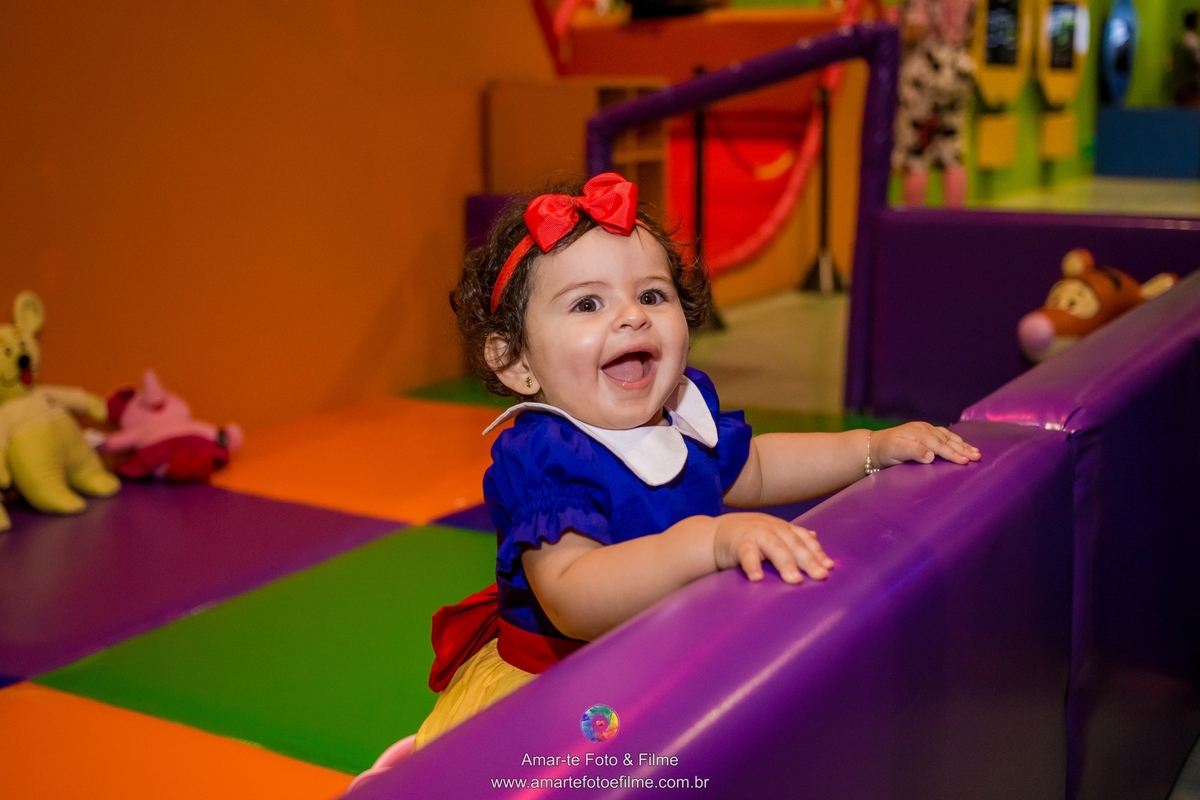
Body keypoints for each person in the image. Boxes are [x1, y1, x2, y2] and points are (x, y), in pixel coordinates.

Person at [355, 174, 980, 783]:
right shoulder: (545, 455)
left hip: (667, 665)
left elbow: (756, 467)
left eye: (652, 295)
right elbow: (572, 595)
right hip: (561, 695)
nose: (632, 317)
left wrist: (870, 449)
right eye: (588, 303)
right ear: (516, 364)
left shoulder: (683, 407)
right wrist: (704, 545)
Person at [1173, 11, 1200, 106]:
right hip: (1189, 85)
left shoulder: (1180, 39)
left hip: (1178, 83)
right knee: (1190, 115)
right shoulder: (1193, 41)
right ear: (1194, 23)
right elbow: (1198, 61)